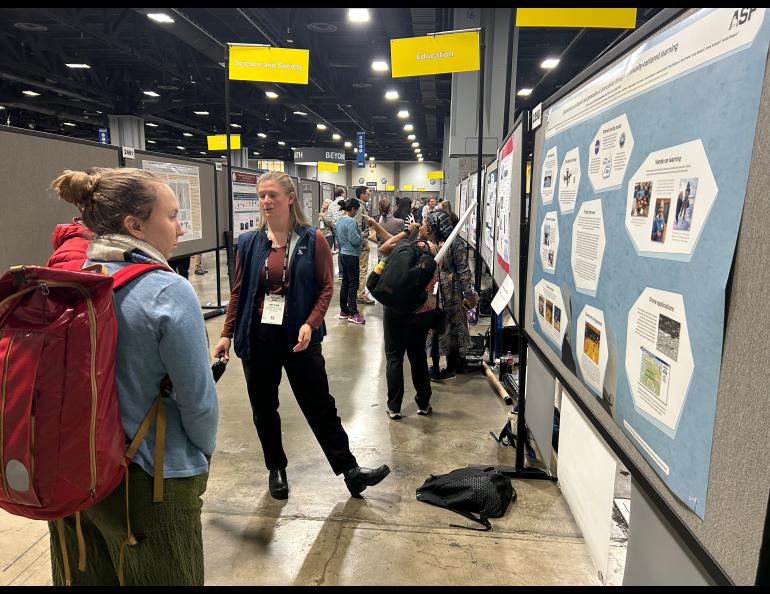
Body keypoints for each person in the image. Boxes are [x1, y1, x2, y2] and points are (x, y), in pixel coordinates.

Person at [48, 167, 219, 586]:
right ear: (134, 225)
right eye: (172, 216)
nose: (180, 228)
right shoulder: (166, 290)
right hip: (150, 476)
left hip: (73, 472)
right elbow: (198, 399)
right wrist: (202, 454)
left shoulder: (72, 282)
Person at [212, 172, 389, 501]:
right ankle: (275, 468)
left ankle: (350, 471)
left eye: (272, 195)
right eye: (261, 195)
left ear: (290, 198)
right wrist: (226, 333)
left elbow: (325, 288)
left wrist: (311, 322)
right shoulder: (250, 242)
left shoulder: (312, 238)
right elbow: (239, 291)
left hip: (300, 337)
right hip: (258, 336)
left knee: (320, 404)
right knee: (264, 408)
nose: (265, 201)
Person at [368, 212, 445, 418]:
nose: (420, 225)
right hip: (423, 310)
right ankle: (423, 402)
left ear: (428, 229)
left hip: (396, 308)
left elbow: (384, 248)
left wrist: (406, 232)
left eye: (424, 223)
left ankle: (394, 407)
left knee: (394, 357)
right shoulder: (438, 250)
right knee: (417, 355)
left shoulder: (412, 246)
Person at [429, 212, 479, 381]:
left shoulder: (455, 243)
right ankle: (434, 367)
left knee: (453, 331)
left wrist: (469, 295)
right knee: (435, 329)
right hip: (436, 292)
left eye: (432, 228)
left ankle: (450, 369)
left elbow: (464, 271)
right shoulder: (435, 242)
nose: (430, 231)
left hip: (452, 292)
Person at [336, 198, 366, 324]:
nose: (357, 213)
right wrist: (362, 236)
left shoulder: (339, 221)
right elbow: (354, 240)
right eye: (357, 210)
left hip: (343, 254)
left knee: (346, 283)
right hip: (351, 255)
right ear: (353, 209)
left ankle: (344, 310)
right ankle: (353, 312)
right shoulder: (351, 222)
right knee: (354, 284)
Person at [354, 186, 376, 305]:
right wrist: (362, 241)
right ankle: (361, 295)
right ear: (362, 195)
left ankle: (358, 293)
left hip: (360, 242)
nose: (369, 196)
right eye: (367, 194)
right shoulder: (359, 207)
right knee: (362, 269)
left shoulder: (361, 206)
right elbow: (357, 225)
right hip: (361, 243)